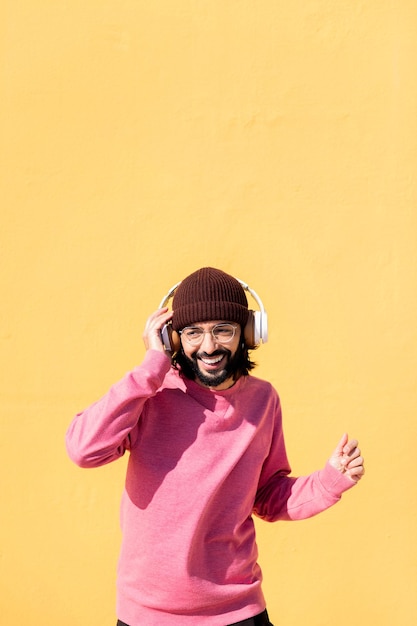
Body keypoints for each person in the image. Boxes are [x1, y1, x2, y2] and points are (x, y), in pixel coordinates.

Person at [66, 267, 365, 626]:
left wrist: (328, 481)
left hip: (239, 612)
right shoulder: (149, 396)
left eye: (223, 330)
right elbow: (84, 450)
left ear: (249, 334)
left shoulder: (263, 400)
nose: (209, 347)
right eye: (193, 333)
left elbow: (267, 496)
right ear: (173, 339)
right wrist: (151, 367)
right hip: (147, 616)